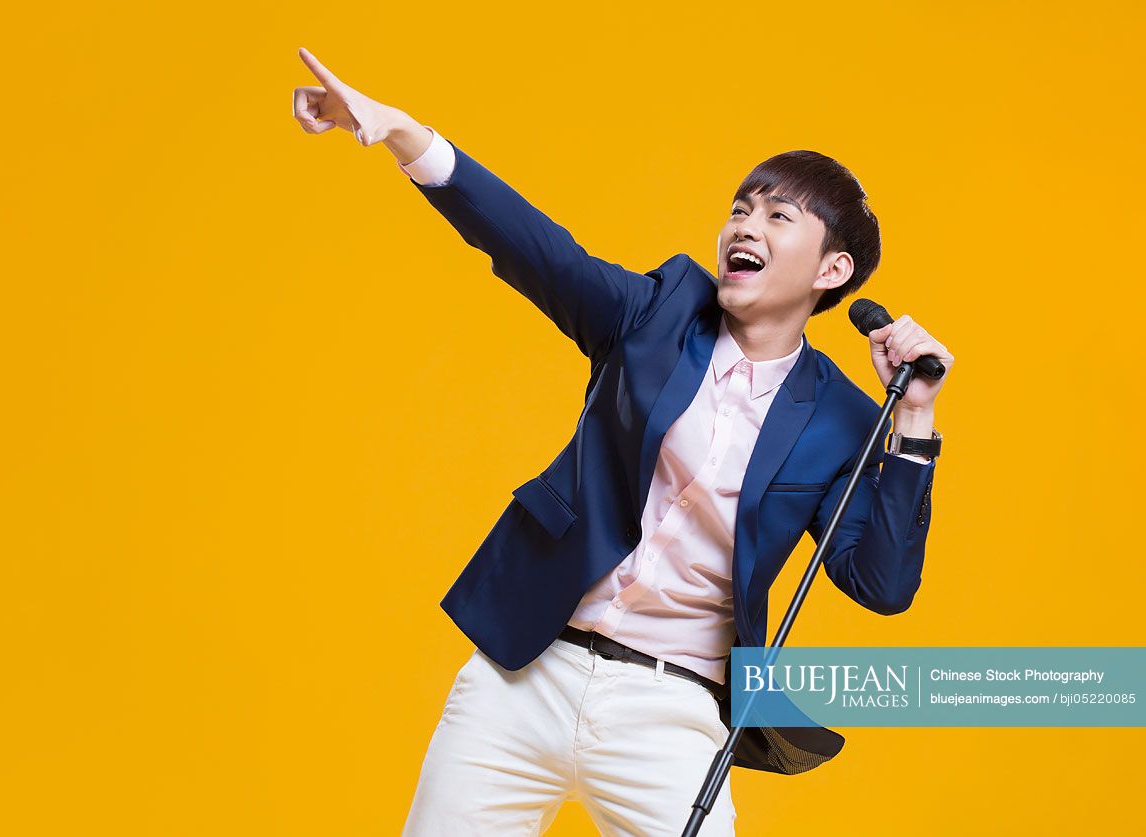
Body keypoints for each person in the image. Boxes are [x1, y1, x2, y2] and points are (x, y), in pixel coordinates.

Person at [293, 47, 954, 836]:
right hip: (526, 674)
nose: (745, 223)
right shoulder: (659, 311)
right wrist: (405, 135)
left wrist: (911, 419)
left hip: (670, 711)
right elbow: (538, 250)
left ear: (832, 268)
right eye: (741, 207)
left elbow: (879, 583)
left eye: (779, 215)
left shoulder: (844, 417)